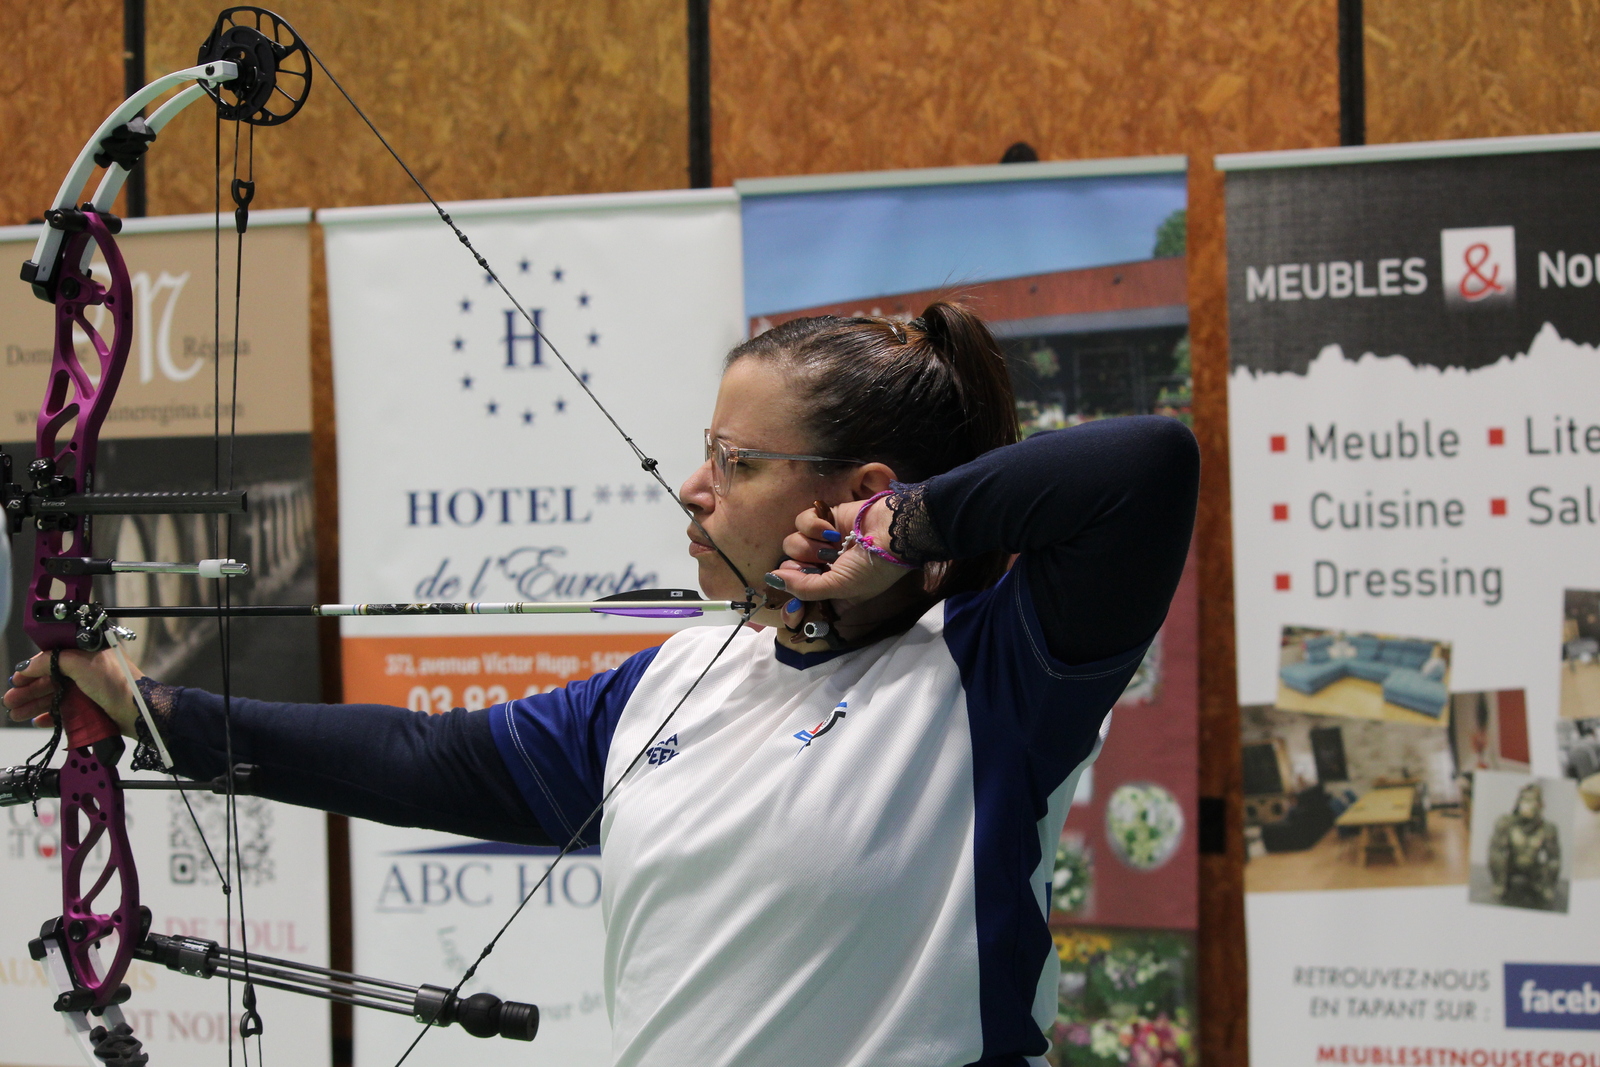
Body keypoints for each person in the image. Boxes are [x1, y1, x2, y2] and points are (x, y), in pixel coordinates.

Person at [7, 303, 1198, 1067]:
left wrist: (905, 526)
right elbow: (423, 760)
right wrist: (143, 704)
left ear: (857, 492)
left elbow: (1146, 466)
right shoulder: (679, 679)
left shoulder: (994, 670)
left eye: (736, 462)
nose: (692, 486)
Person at [1488, 781, 1562, 911]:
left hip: (1534, 867)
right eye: (1525, 800)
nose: (1528, 805)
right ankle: (1501, 884)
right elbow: (1496, 851)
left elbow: (1554, 858)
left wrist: (1549, 884)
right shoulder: (1505, 823)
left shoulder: (1548, 829)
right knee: (1497, 858)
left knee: (1546, 895)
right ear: (1518, 803)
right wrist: (1498, 882)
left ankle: (1543, 887)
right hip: (1510, 866)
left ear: (1539, 805)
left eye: (1533, 800)